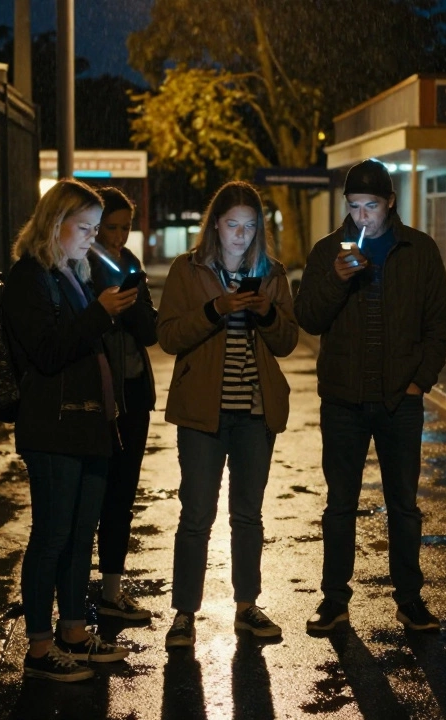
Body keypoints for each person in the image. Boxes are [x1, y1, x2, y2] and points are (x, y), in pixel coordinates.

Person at [295, 159, 446, 634]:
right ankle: (334, 601)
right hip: (343, 399)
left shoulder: (418, 250)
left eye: (371, 206)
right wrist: (336, 279)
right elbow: (309, 317)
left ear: (389, 203)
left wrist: (419, 381)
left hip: (399, 400)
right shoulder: (328, 252)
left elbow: (438, 323)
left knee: (402, 505)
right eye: (354, 206)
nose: (362, 216)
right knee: (340, 505)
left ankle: (409, 600)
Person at [157, 181, 299, 649]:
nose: (240, 234)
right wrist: (215, 309)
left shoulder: (272, 273)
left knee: (248, 516)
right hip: (203, 414)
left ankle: (247, 606)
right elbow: (170, 337)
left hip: (255, 414)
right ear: (215, 224)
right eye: (232, 224)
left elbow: (287, 342)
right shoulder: (189, 269)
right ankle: (183, 614)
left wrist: (266, 314)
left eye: (250, 226)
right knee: (197, 515)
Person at [2, 179, 134, 682]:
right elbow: (49, 351)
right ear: (54, 224)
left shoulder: (72, 273)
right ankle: (39, 646)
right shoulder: (29, 277)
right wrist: (99, 314)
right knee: (52, 535)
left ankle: (74, 631)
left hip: (88, 425)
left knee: (81, 536)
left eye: (96, 229)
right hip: (54, 426)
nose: (92, 238)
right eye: (85, 227)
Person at [90, 187, 158, 621]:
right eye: (110, 227)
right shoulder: (81, 263)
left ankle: (112, 589)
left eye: (124, 227)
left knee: (121, 496)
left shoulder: (130, 263)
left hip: (133, 389)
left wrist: (130, 304)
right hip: (96, 393)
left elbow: (150, 330)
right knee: (90, 496)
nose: (117, 236)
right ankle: (79, 593)